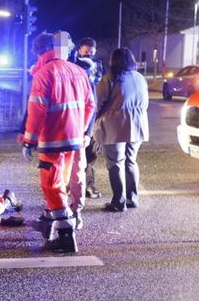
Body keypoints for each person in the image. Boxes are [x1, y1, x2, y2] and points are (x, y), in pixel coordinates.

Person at [19, 31, 95, 253]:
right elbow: (91, 105)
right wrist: (78, 129)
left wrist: (28, 141)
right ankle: (51, 225)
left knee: (51, 185)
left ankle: (66, 235)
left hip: (52, 140)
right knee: (60, 184)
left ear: (40, 51)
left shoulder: (44, 73)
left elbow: (37, 111)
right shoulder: (79, 71)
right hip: (73, 141)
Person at [95, 47, 149, 213]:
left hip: (114, 125)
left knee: (115, 163)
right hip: (137, 124)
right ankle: (132, 198)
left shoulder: (110, 79)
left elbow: (98, 103)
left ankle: (119, 202)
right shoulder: (140, 77)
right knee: (131, 161)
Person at [69, 37, 105, 205]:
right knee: (71, 156)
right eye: (86, 50)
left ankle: (90, 186)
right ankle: (71, 185)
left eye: (92, 50)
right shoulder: (74, 65)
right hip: (75, 117)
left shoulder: (99, 67)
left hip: (93, 118)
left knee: (90, 154)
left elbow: (103, 90)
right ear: (80, 50)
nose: (89, 53)